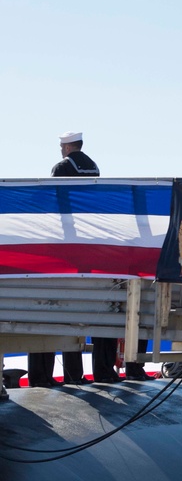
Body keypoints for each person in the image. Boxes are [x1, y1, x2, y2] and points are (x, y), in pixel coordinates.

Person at [28, 132, 101, 386]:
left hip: (64, 240)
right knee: (76, 316)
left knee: (48, 313)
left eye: (62, 146)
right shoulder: (94, 167)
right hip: (87, 241)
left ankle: (42, 376)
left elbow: (54, 198)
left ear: (68, 147)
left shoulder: (62, 167)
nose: (61, 150)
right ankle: (74, 374)